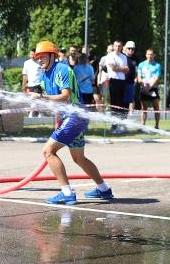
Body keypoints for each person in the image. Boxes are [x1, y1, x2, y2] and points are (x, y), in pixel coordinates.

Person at [28, 41, 113, 205]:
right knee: (79, 158)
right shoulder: (44, 78)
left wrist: (41, 97)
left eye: (42, 56)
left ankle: (66, 193)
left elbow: (65, 96)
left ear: (52, 55)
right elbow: (56, 102)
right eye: (37, 57)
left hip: (75, 117)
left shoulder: (62, 70)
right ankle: (103, 189)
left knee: (48, 152)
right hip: (72, 118)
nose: (39, 60)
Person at [105, 41, 129, 133]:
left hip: (122, 81)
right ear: (114, 46)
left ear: (122, 47)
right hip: (113, 81)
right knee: (114, 104)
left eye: (119, 46)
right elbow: (113, 68)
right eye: (116, 46)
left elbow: (127, 70)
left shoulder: (124, 57)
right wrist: (122, 68)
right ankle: (114, 125)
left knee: (121, 103)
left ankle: (121, 124)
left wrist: (119, 68)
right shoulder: (110, 56)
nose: (118, 47)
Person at [137, 49, 162, 129]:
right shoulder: (141, 65)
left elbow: (157, 78)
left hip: (153, 88)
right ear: (146, 55)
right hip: (143, 88)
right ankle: (143, 125)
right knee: (144, 108)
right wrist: (143, 86)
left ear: (154, 55)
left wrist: (149, 87)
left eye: (151, 54)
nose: (150, 56)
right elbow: (139, 77)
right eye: (148, 54)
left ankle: (157, 125)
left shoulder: (157, 65)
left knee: (156, 107)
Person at [22, 50, 43, 117]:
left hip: (38, 84)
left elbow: (44, 73)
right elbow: (25, 75)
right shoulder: (26, 63)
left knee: (36, 99)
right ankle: (36, 113)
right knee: (32, 100)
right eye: (31, 54)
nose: (32, 56)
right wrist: (24, 85)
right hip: (30, 85)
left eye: (34, 54)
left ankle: (34, 114)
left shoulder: (40, 62)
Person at [94, 44, 113, 113]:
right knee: (104, 95)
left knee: (110, 96)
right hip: (104, 79)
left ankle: (109, 109)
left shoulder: (115, 58)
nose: (111, 51)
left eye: (112, 50)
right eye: (110, 49)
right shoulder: (103, 58)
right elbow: (100, 71)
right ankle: (102, 111)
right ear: (107, 50)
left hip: (112, 79)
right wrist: (98, 80)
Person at [123, 41, 138, 115]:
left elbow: (136, 70)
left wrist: (136, 78)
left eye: (132, 49)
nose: (131, 50)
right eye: (129, 48)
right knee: (121, 102)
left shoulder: (135, 59)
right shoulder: (122, 57)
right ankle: (117, 122)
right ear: (125, 49)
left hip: (131, 83)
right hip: (122, 83)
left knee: (128, 102)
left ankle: (124, 120)